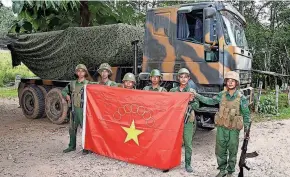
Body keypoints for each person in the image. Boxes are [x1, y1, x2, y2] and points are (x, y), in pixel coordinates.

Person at [193, 71, 251, 177]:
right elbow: (210, 101)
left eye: (233, 81)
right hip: (221, 128)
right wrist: (197, 95)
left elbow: (246, 114)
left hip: (233, 129)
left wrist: (247, 129)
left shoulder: (240, 97)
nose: (230, 83)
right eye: (228, 81)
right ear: (226, 82)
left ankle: (230, 171)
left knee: (232, 150)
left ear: (236, 83)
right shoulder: (221, 95)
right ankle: (222, 170)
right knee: (220, 150)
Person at [169, 68, 199, 173]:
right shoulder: (173, 91)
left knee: (188, 143)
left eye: (185, 77)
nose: (183, 79)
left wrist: (192, 101)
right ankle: (170, 162)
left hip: (187, 121)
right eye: (181, 77)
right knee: (172, 143)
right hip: (175, 121)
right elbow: (168, 105)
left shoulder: (192, 91)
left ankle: (188, 164)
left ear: (188, 78)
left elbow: (197, 106)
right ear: (178, 78)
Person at [62, 64, 91, 155]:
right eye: (78, 71)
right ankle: (72, 146)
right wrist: (66, 95)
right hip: (74, 110)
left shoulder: (88, 84)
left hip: (84, 111)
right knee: (72, 129)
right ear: (76, 73)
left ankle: (86, 147)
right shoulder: (72, 83)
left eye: (82, 71)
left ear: (85, 72)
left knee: (85, 130)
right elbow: (64, 91)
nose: (80, 73)